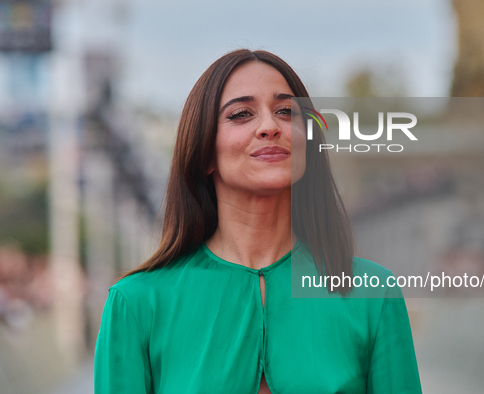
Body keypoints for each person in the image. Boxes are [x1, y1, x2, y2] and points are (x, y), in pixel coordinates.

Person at [94, 49, 422, 393]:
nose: (269, 126)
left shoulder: (374, 293)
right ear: (204, 152)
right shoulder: (135, 304)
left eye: (285, 112)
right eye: (241, 114)